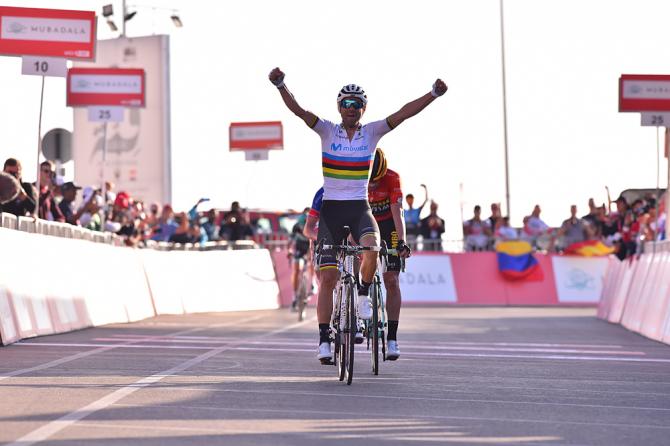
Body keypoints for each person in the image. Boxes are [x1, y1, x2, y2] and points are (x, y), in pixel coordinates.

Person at [269, 67, 447, 362]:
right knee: (327, 279)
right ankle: (324, 339)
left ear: (364, 109)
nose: (351, 109)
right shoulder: (326, 129)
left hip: (359, 208)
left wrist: (433, 94)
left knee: (373, 249)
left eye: (356, 104)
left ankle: (363, 294)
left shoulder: (372, 132)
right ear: (339, 107)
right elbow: (299, 111)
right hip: (332, 211)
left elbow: (404, 114)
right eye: (346, 104)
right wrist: (280, 85)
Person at [367, 148, 411, 360]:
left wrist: (402, 241)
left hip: (389, 226)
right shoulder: (359, 176)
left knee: (391, 280)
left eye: (376, 181)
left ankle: (392, 338)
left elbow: (398, 212)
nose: (373, 185)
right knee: (359, 259)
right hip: (366, 225)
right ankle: (358, 304)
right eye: (370, 181)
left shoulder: (393, 178)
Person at [288, 208, 313, 310]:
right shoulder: (296, 226)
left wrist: (310, 254)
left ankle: (313, 283)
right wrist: (289, 251)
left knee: (313, 261)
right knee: (296, 269)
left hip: (310, 246)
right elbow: (290, 241)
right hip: (299, 247)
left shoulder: (314, 224)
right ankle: (294, 295)